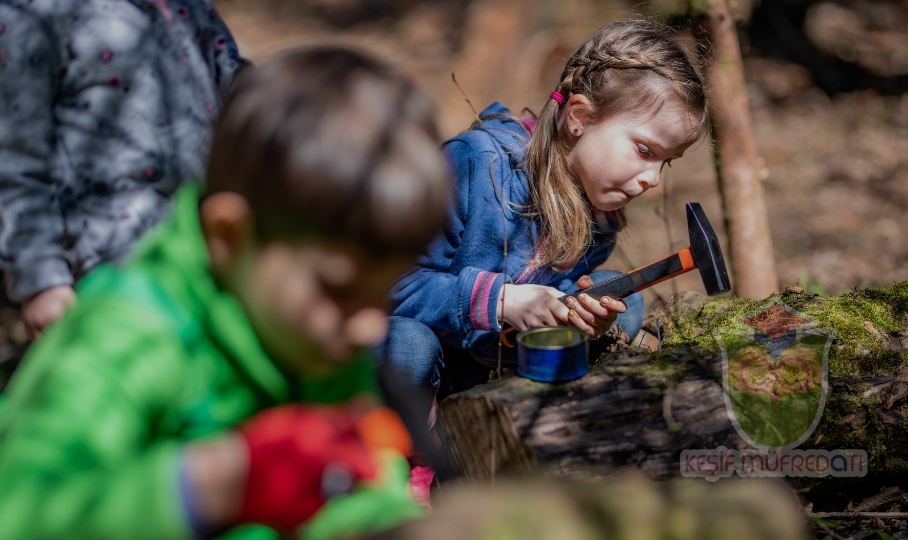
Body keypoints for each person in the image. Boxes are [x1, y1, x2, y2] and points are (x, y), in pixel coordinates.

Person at [0, 47, 450, 539]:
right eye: (338, 287)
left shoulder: (321, 337)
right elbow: (21, 513)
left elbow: (355, 484)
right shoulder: (128, 338)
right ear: (229, 237)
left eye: (383, 293)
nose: (371, 325)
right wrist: (215, 483)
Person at [382, 20, 709, 396]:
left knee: (621, 298)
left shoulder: (599, 221)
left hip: (487, 365)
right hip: (414, 362)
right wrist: (500, 300)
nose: (653, 179)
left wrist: (576, 318)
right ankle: (404, 441)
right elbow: (389, 285)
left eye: (665, 162)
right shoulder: (474, 164)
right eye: (644, 151)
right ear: (579, 118)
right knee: (406, 345)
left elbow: (532, 319)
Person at [0, 0, 245, 338]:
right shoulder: (31, 14)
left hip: (194, 241)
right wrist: (40, 278)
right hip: (105, 260)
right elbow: (14, 160)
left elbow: (237, 84)